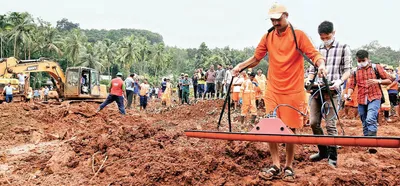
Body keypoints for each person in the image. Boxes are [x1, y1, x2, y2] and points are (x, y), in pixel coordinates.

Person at [232, 3, 326, 181]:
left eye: (278, 19)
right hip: (273, 88)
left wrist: (321, 65)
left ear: (286, 16)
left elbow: (314, 55)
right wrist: (241, 66)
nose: (275, 23)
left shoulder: (298, 35)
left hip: (293, 90)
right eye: (272, 20)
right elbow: (256, 58)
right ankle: (275, 164)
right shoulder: (268, 36)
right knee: (271, 127)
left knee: (290, 129)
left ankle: (289, 166)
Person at [307, 21, 352, 167]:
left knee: (330, 124)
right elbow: (312, 69)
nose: (325, 40)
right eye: (322, 38)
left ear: (334, 33)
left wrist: (340, 81)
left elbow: (348, 70)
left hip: (332, 91)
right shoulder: (317, 48)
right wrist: (308, 80)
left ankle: (333, 157)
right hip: (316, 90)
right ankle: (322, 151)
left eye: (327, 37)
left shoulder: (343, 48)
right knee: (314, 123)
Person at [345, 50, 393, 140]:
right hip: (361, 98)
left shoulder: (376, 67)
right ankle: (367, 142)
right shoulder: (355, 71)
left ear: (368, 59)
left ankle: (372, 143)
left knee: (370, 119)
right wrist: (348, 94)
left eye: (363, 60)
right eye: (359, 61)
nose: (361, 63)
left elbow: (389, 80)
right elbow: (351, 85)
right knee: (364, 121)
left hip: (374, 96)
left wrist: (378, 81)